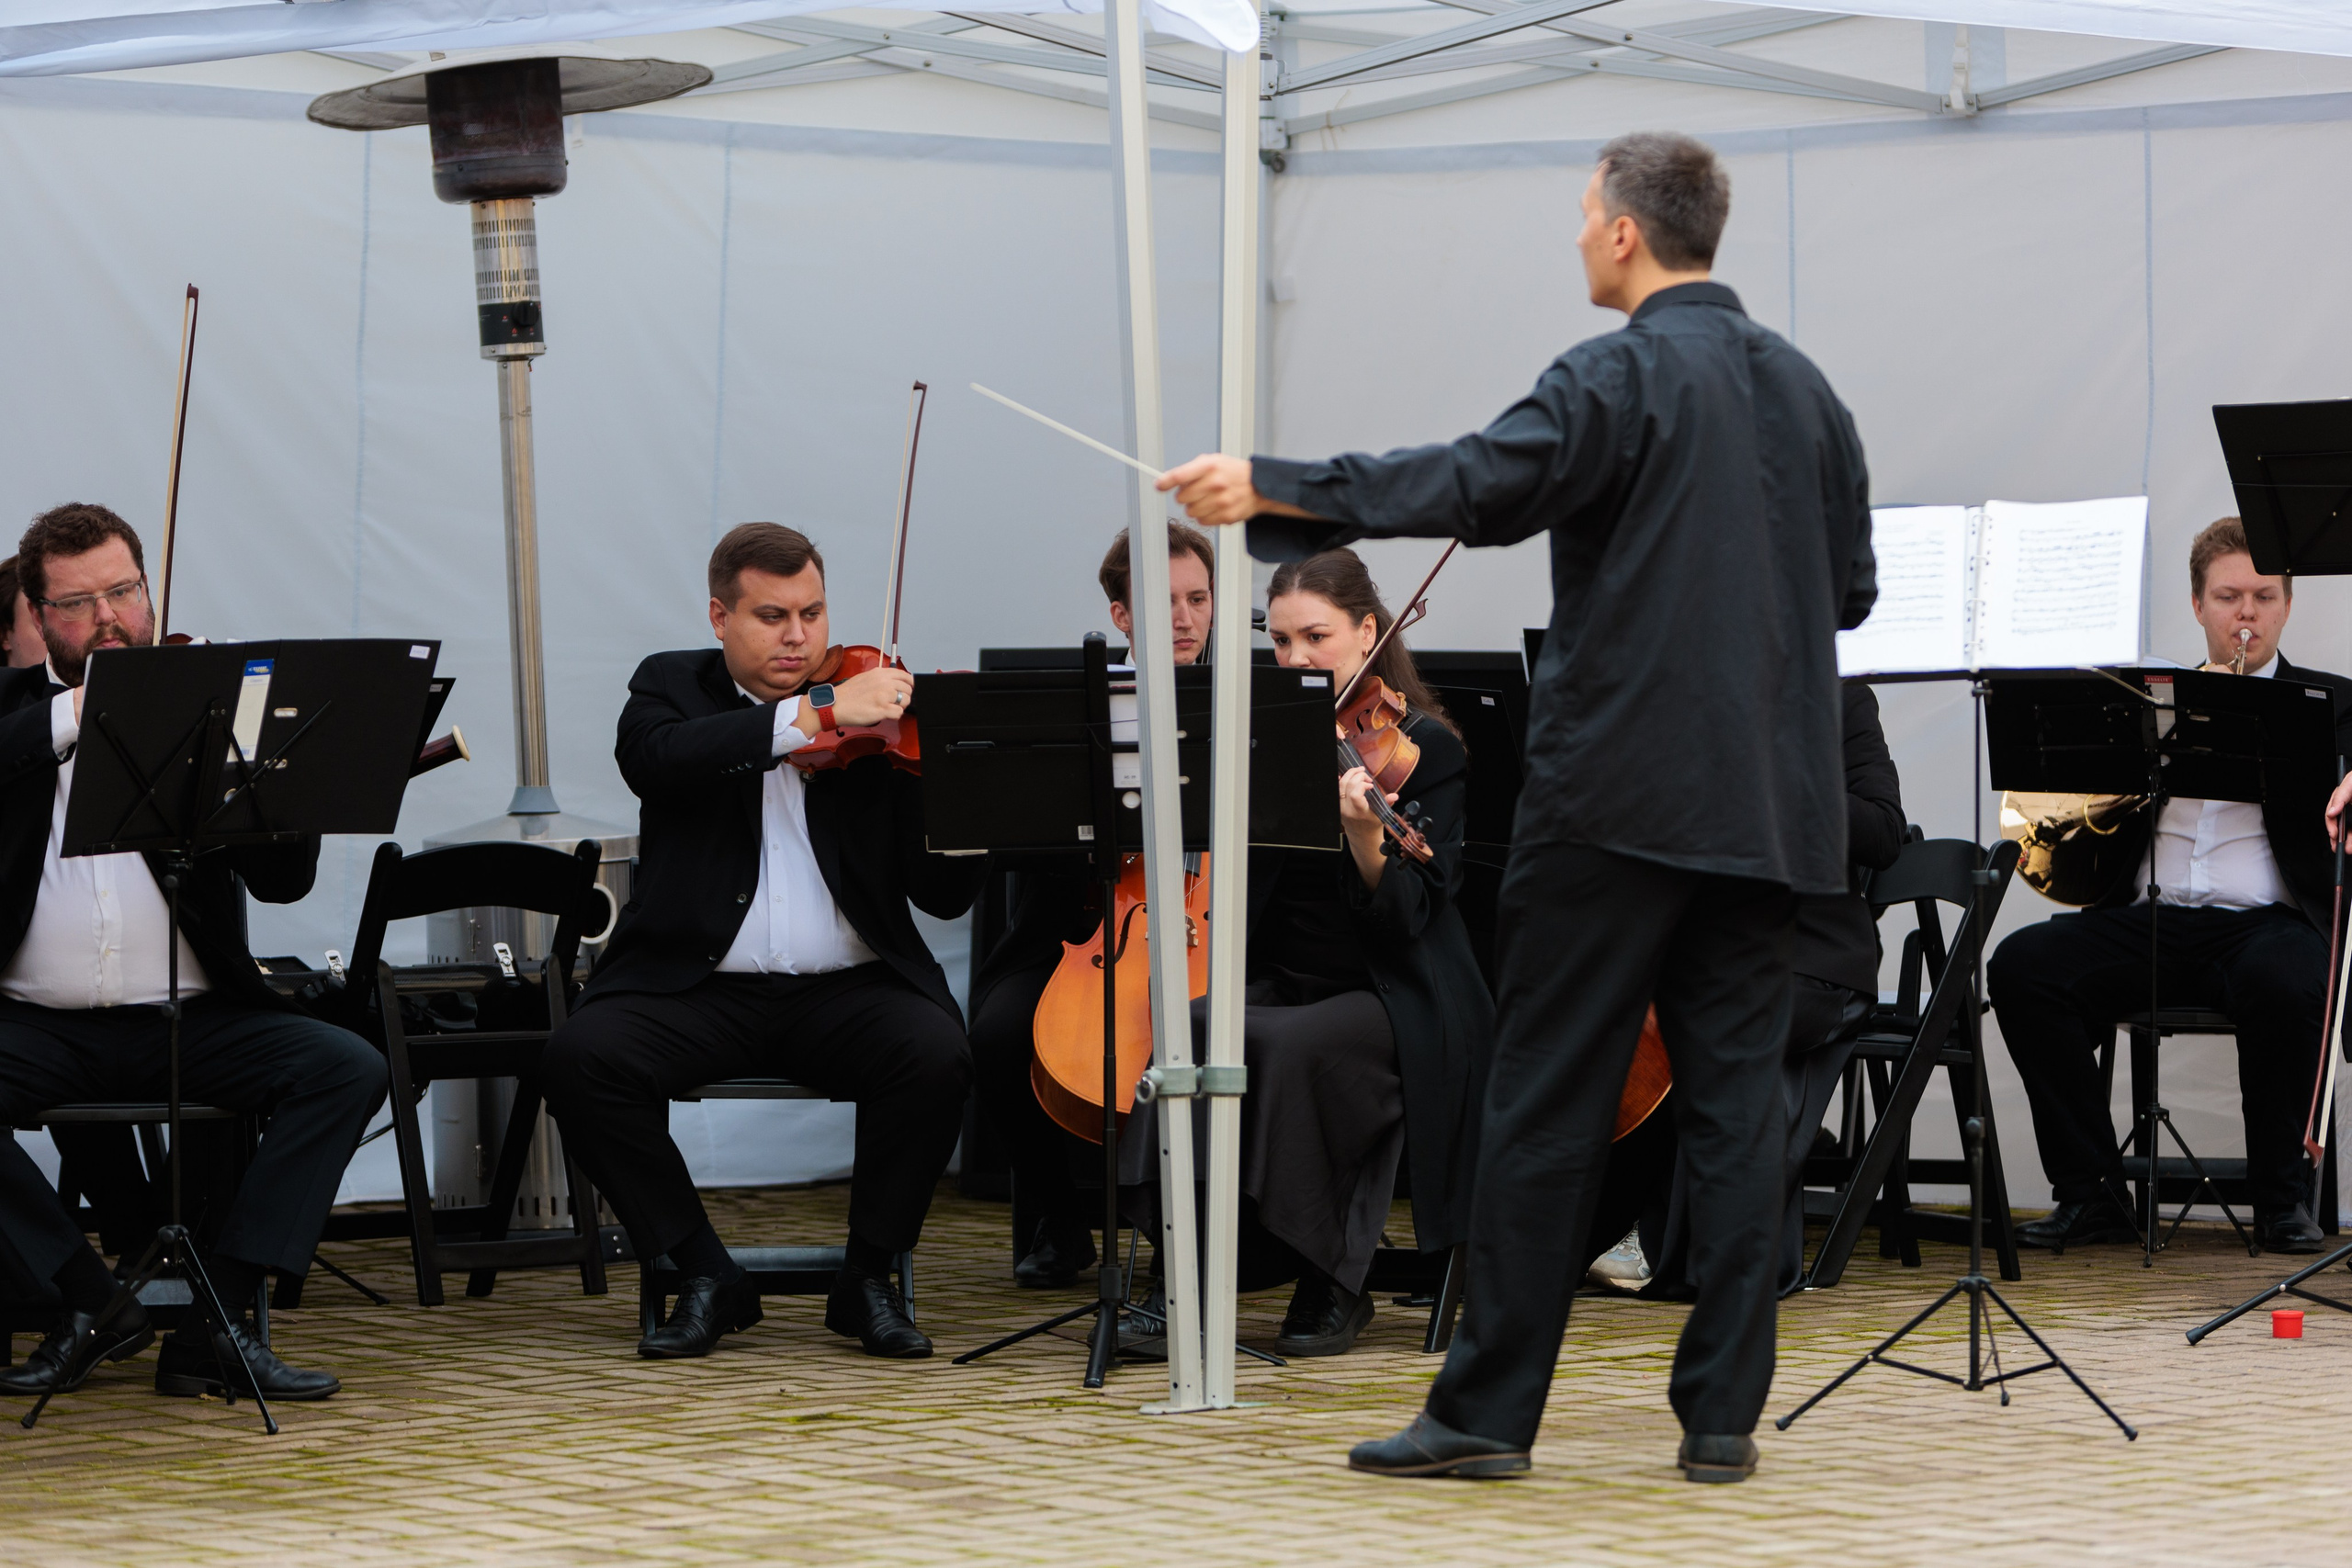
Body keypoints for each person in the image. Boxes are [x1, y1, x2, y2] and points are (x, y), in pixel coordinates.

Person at [1161, 130, 1875, 1482]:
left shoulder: (1613, 374)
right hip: (1772, 813)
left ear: (1620, 231)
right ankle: (1721, 1417)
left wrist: (1280, 484)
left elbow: (1476, 485)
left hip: (1616, 805)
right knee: (1734, 1106)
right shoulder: (1811, 394)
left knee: (1544, 1098)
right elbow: (1851, 594)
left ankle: (1487, 1413)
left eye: (1581, 214)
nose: (1579, 234)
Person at [540, 522, 986, 1362]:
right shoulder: (671, 687)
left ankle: (869, 1278)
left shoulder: (875, 707)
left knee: (936, 1054)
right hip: (697, 986)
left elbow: (944, 896)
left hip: (848, 988)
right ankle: (705, 1273)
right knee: (580, 1058)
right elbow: (659, 760)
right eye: (773, 616)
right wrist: (814, 711)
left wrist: (958, 794)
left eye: (812, 615)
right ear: (720, 617)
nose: (798, 636)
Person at [0, 504, 387, 1402]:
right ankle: (89, 1301)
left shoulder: (207, 712)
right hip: (36, 1024)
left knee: (342, 1068)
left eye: (123, 591)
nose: (108, 618)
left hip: (190, 1016)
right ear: (37, 616)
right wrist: (80, 714)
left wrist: (268, 767)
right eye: (78, 603)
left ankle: (219, 1319)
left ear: (150, 589)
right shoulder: (20, 717)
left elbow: (283, 883)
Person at [1993, 518, 2352, 1256]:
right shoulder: (2145, 699)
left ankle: (2284, 1203)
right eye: (2228, 597)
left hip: (2265, 924)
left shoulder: (2332, 703)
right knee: (2024, 967)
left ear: (2287, 605)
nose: (2246, 613)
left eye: (2264, 596)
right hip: (2150, 920)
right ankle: (2092, 1194)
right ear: (2197, 605)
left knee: (2287, 978)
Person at [966, 524, 1216, 1290]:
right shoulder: (1079, 708)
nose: (1184, 616)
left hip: (1211, 929)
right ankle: (1056, 1220)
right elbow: (1008, 842)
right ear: (1121, 615)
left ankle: (1195, 1226)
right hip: (1083, 930)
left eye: (1198, 598)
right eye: (1161, 600)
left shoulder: (1250, 703)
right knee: (1000, 1031)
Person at [1638, 681, 1906, 1297]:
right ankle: (1610, 1220)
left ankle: (1679, 1240)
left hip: (1813, 953)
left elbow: (1886, 831)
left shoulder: (1840, 698)